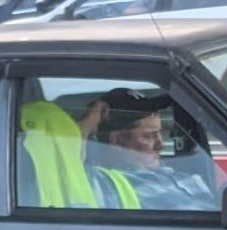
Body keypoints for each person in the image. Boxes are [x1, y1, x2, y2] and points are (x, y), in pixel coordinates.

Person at [77, 87, 218, 212]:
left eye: (159, 133)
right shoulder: (106, 185)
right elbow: (69, 163)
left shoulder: (175, 174)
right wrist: (90, 120)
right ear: (117, 141)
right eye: (149, 136)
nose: (161, 144)